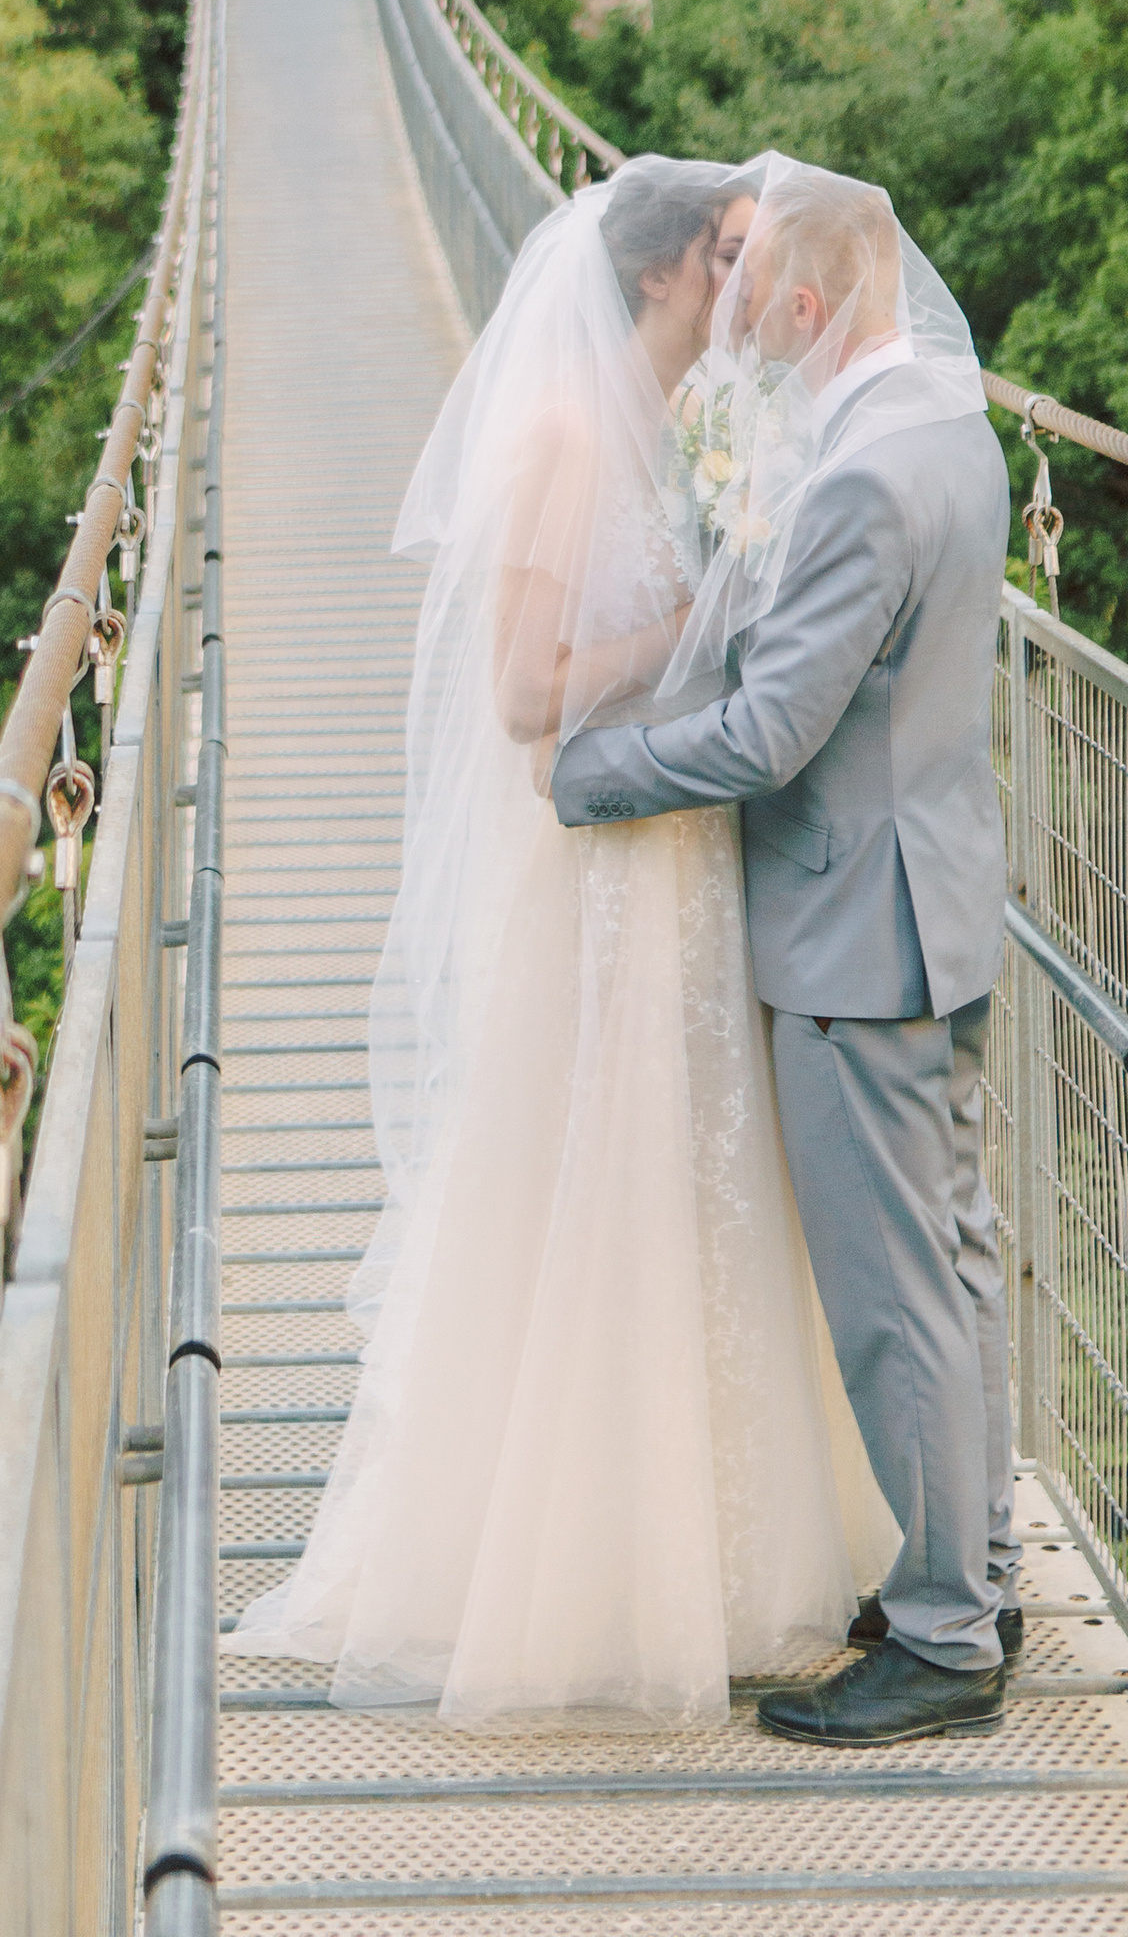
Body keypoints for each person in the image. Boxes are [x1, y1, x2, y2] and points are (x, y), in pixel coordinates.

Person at [229, 155, 897, 1722]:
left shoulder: (688, 428)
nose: (756, 279)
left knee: (683, 1193)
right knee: (580, 1187)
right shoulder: (561, 433)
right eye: (736, 253)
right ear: (669, 271)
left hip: (679, 858)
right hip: (597, 873)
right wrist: (712, 620)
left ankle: (706, 1559)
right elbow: (527, 695)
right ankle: (569, 1573)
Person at [552, 152, 1020, 1748]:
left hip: (851, 936)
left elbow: (766, 736)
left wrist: (592, 774)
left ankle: (948, 1641)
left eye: (764, 313)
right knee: (956, 1265)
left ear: (815, 302)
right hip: (939, 902)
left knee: (896, 1295)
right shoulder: (952, 428)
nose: (750, 344)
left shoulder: (862, 478)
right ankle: (980, 1571)